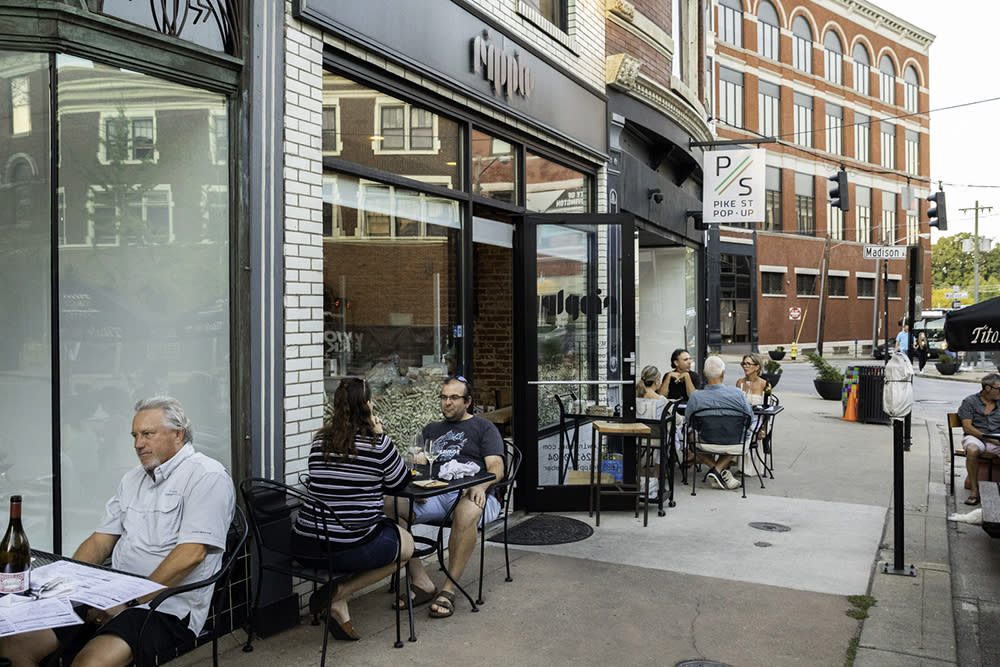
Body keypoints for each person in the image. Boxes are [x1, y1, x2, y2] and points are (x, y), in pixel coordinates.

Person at [0, 397, 235, 667]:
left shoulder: (207, 476)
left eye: (147, 434)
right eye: (135, 435)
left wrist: (129, 602)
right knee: (12, 644)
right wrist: (69, 584)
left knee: (89, 664)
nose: (137, 444)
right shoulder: (132, 479)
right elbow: (100, 541)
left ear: (178, 434)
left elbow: (192, 553)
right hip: (110, 593)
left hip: (165, 607)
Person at [292, 378, 416, 640]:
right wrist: (381, 436)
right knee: (406, 547)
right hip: (348, 546)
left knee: (372, 533)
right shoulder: (377, 445)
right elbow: (401, 483)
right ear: (368, 406)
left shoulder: (319, 443)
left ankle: (340, 608)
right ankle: (339, 593)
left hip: (306, 544)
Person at [386, 375, 504, 619]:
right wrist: (416, 485)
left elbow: (497, 468)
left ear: (467, 401)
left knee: (467, 509)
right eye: (443, 397)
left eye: (453, 397)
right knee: (390, 505)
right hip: (436, 494)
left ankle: (448, 590)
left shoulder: (483, 427)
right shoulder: (432, 429)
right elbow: (418, 465)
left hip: (477, 494)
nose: (447, 402)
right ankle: (421, 582)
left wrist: (481, 486)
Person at [684, 356, 753, 490]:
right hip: (735, 443)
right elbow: (750, 419)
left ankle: (715, 469)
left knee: (691, 437)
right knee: (742, 434)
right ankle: (719, 470)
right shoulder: (738, 394)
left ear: (704, 373)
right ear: (723, 373)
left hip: (705, 442)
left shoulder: (695, 397)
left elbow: (688, 422)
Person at [956, 373, 1000, 506]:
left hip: (997, 437)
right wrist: (988, 438)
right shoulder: (970, 401)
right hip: (976, 436)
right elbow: (967, 427)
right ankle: (974, 491)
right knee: (972, 449)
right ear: (988, 388)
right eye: (999, 388)